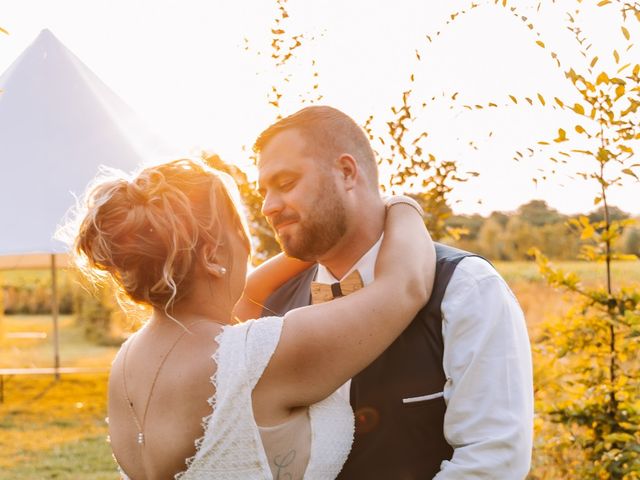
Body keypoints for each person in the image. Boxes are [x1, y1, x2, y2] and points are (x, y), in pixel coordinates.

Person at [70, 158, 435, 479]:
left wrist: (330, 231)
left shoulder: (127, 362)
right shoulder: (257, 358)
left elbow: (248, 293)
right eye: (241, 233)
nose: (250, 249)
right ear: (213, 256)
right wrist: (398, 205)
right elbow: (405, 286)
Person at [254, 105, 534, 479]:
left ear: (347, 172)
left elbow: (492, 462)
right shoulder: (269, 305)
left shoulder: (466, 289)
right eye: (264, 191)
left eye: (285, 183)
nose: (268, 207)